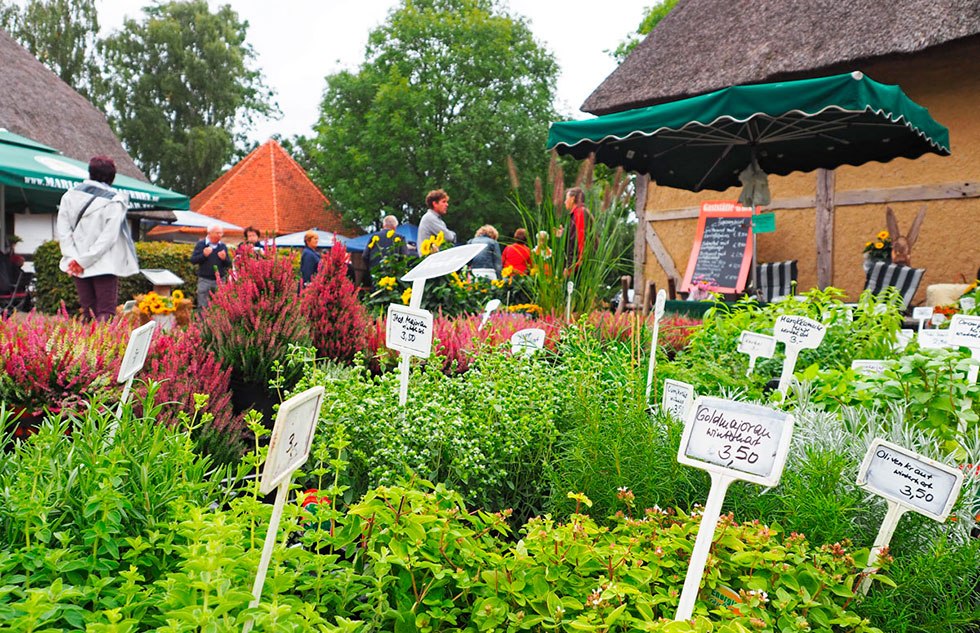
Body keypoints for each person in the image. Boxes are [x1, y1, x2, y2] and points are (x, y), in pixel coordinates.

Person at [56, 155, 139, 321]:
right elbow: (108, 238)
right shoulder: (115, 201)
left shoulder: (69, 196)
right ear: (112, 176)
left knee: (88, 313)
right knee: (105, 312)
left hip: (77, 264)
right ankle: (102, 340)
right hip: (104, 264)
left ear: (90, 172)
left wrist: (75, 259)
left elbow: (63, 232)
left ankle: (87, 339)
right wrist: (85, 261)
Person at [190, 225, 232, 309]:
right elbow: (193, 260)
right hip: (204, 280)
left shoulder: (222, 246)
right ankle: (202, 317)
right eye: (217, 233)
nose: (220, 235)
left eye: (221, 233)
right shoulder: (201, 245)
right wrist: (204, 255)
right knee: (203, 306)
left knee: (221, 305)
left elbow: (228, 264)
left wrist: (224, 259)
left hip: (220, 280)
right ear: (209, 233)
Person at [363, 215, 408, 286]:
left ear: (383, 225)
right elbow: (404, 257)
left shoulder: (374, 237)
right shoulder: (400, 238)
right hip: (393, 276)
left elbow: (365, 256)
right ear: (395, 226)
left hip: (376, 275)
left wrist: (371, 268)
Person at [562, 187, 590, 276]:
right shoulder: (579, 213)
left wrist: (572, 267)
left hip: (577, 269)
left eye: (566, 198)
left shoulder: (579, 213)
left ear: (572, 198)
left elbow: (580, 241)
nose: (564, 202)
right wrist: (564, 234)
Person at [417, 189, 456, 254]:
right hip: (430, 258)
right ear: (435, 203)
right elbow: (449, 237)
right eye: (443, 202)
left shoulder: (434, 218)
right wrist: (454, 235)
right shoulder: (430, 218)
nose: (447, 205)